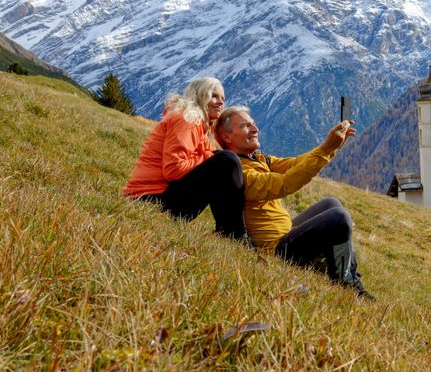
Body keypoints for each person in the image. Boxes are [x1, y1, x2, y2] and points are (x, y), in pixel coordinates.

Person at [213, 106, 372, 299]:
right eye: (246, 126)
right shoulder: (239, 172)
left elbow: (295, 164)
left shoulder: (259, 159)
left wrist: (330, 147)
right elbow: (285, 183)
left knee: (331, 203)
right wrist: (327, 148)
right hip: (277, 249)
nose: (255, 129)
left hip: (287, 233)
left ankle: (343, 271)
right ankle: (348, 284)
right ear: (227, 137)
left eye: (253, 124)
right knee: (338, 218)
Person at [124, 77, 248, 240]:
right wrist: (208, 158)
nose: (220, 103)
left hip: (159, 196)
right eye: (214, 96)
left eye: (223, 99)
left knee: (224, 160)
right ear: (200, 96)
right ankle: (235, 234)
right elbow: (174, 170)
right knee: (227, 161)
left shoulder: (198, 124)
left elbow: (205, 157)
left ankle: (232, 231)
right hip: (151, 200)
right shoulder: (187, 120)